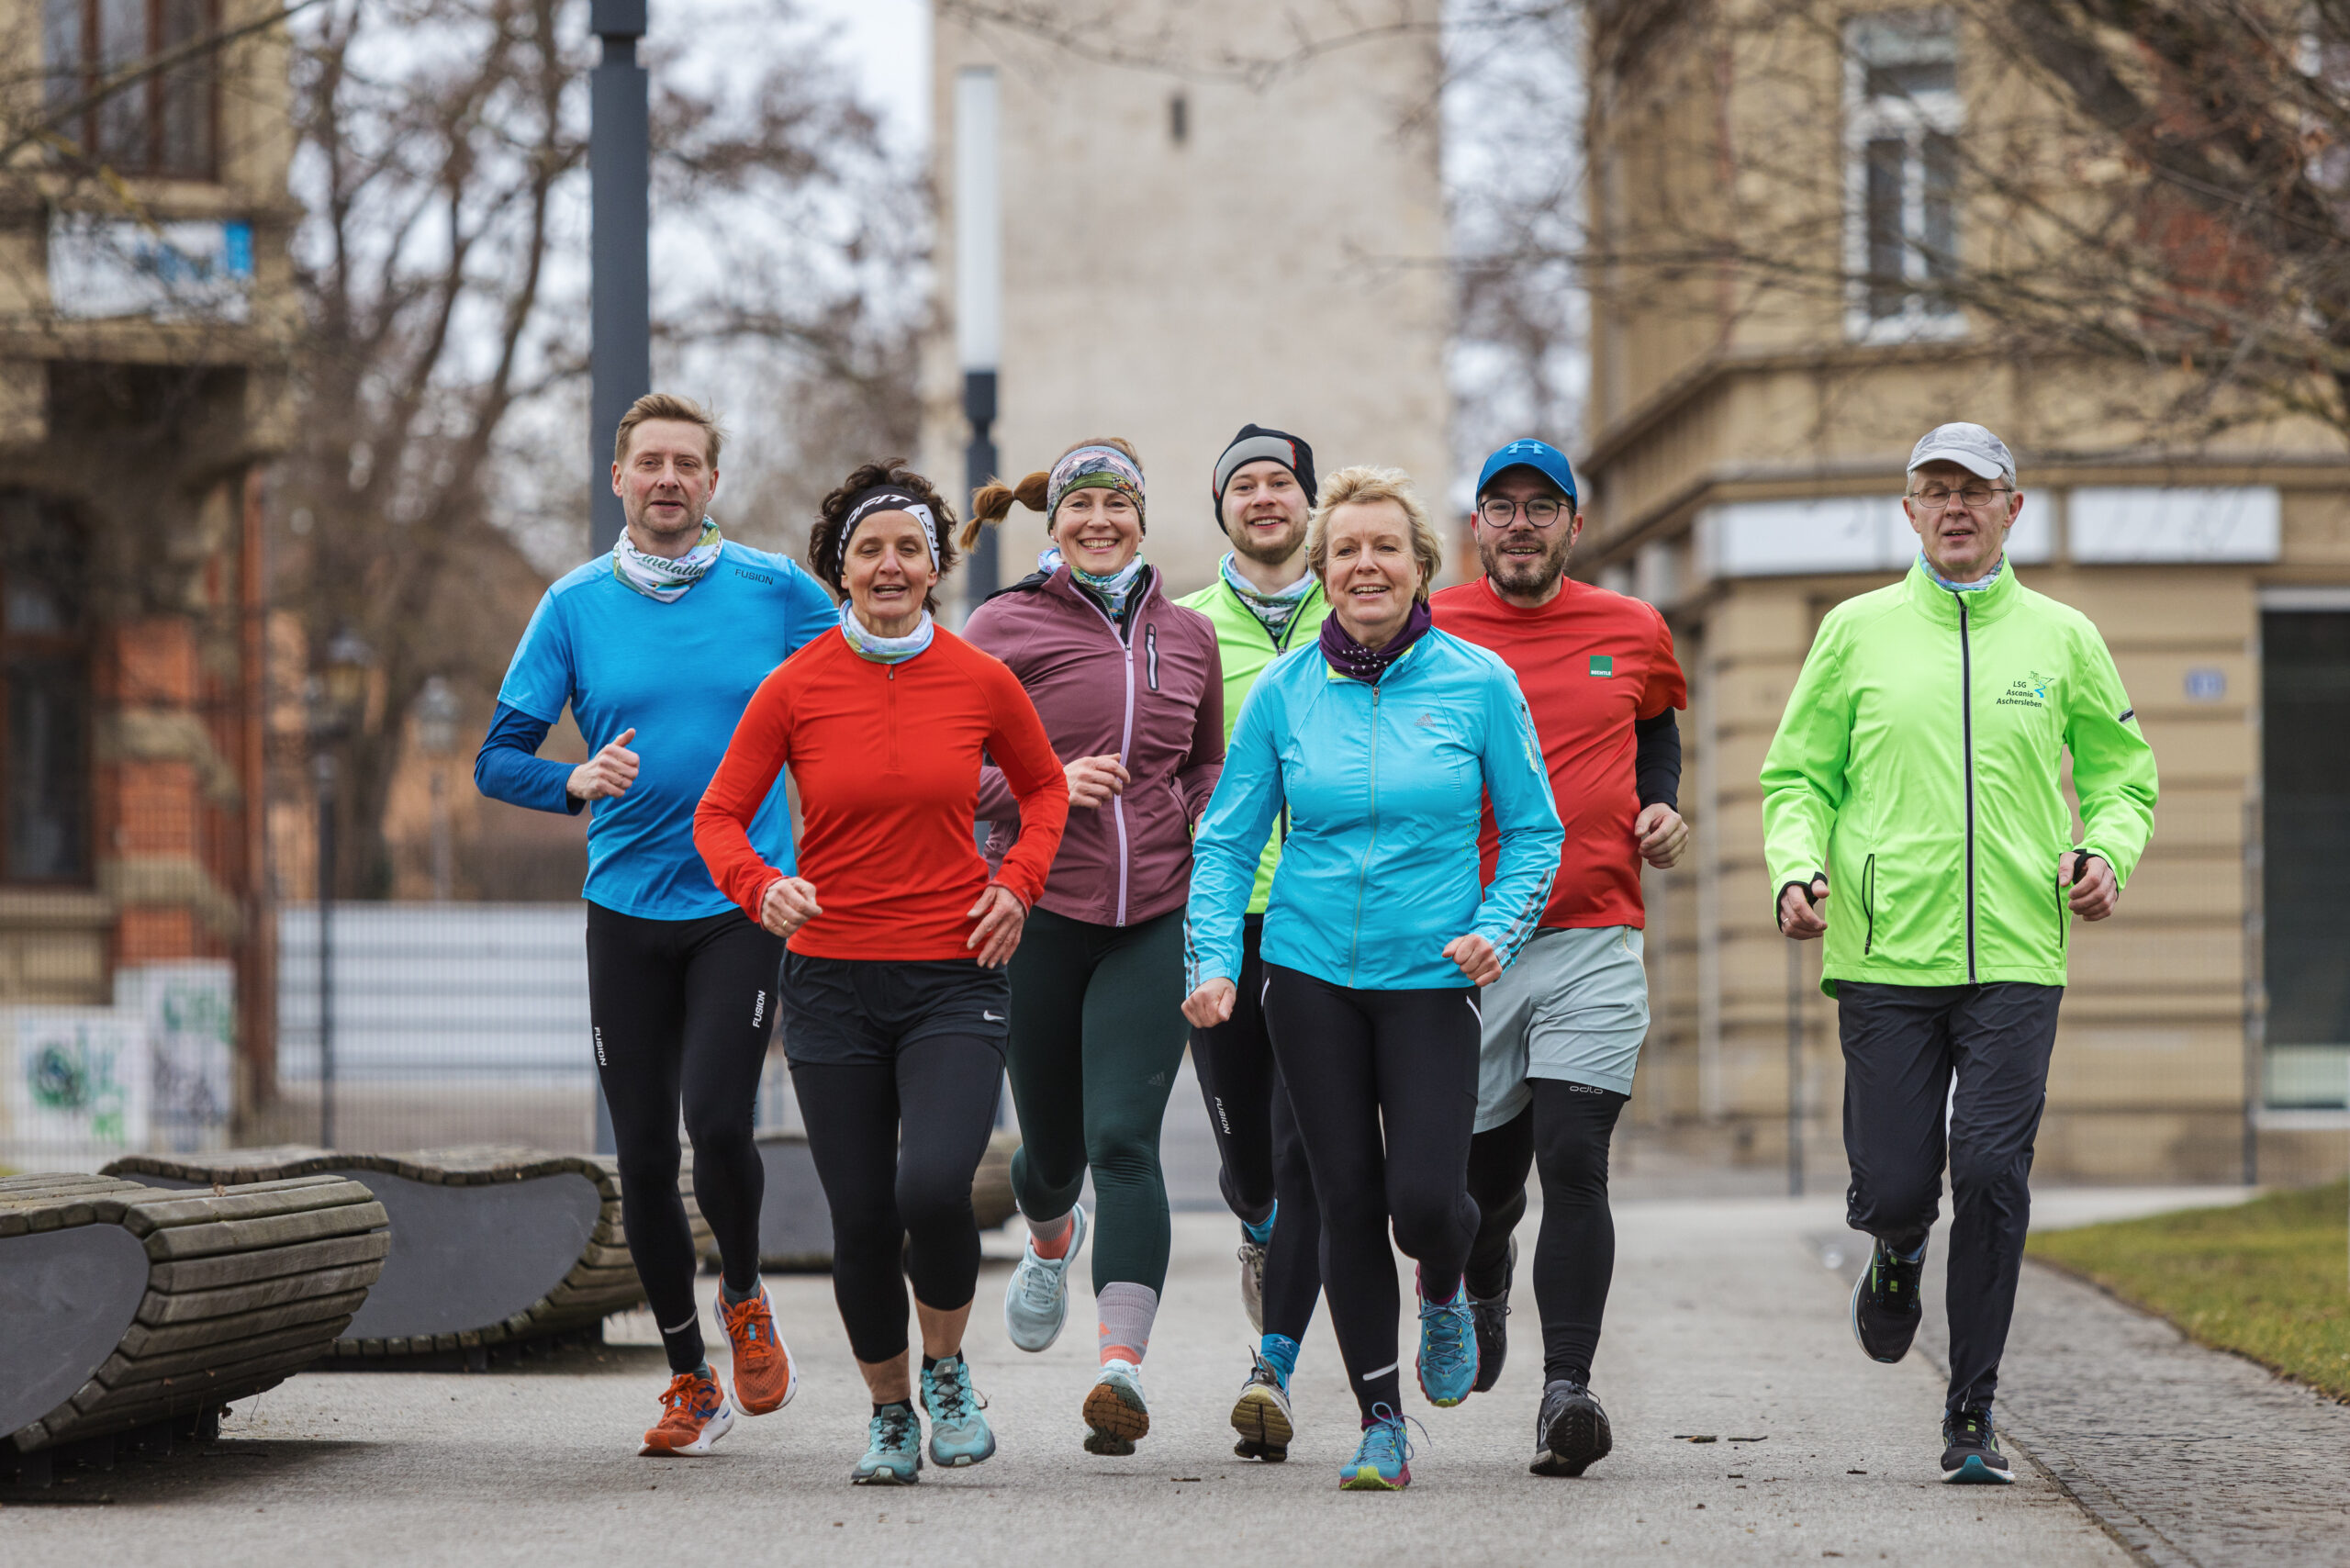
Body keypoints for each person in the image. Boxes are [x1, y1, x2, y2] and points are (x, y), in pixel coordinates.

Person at [1761, 422, 2156, 1484]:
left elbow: (2122, 775)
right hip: (1885, 948)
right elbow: (1797, 777)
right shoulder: (1854, 632)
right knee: (1897, 1184)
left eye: (1973, 490)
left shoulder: (2063, 637)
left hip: (2018, 950)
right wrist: (1795, 867)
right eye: (1934, 489)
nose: (1954, 507)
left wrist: (2106, 853)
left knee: (1989, 1171)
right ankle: (1895, 1249)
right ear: (1908, 510)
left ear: (2011, 508)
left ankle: (1970, 1409)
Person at [1183, 465, 1565, 1492]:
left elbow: (1536, 833)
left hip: (1432, 976)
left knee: (1424, 1204)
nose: (1365, 565)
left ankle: (1446, 1280)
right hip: (1307, 974)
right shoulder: (1282, 694)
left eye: (1384, 547)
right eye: (1345, 549)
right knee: (1344, 1196)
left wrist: (1497, 929)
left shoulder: (1478, 682)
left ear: (1419, 565)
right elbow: (1226, 842)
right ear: (1322, 571)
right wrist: (1214, 961)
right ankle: (1381, 1423)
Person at [693, 461, 1069, 1485]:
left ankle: (946, 1372)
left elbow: (1044, 792)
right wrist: (761, 886)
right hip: (832, 985)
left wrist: (1017, 886)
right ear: (842, 569)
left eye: (910, 548)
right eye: (871, 550)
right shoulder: (795, 686)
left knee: (933, 1187)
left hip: (955, 973)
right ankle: (890, 1412)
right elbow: (718, 816)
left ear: (935, 567)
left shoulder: (980, 678)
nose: (891, 565)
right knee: (861, 1215)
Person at [476, 393, 832, 1457]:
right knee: (639, 1152)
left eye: (687, 463)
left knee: (717, 1121)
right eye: (650, 463)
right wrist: (572, 780)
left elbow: (869, 684)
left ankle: (745, 1295)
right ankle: (690, 1378)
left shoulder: (776, 590)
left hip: (740, 899)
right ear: (619, 478)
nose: (668, 478)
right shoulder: (574, 604)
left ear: (712, 482)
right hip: (624, 909)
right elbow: (497, 757)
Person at [961, 438, 1225, 1456]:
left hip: (1156, 911)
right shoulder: (1004, 624)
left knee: (1123, 1140)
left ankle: (1120, 1368)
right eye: (1082, 505)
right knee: (1053, 1157)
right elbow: (951, 766)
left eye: (1118, 504)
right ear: (1055, 521)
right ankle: (1048, 1236)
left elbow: (1200, 763)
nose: (1100, 520)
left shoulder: (1187, 634)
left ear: (1142, 518)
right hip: (1036, 908)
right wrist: (1046, 786)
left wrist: (1207, 813)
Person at [1433, 437, 1689, 1480]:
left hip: (1594, 933)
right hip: (1468, 947)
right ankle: (1485, 1271)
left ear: (1574, 526)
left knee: (1575, 1159)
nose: (1522, 525)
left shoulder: (1632, 627)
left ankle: (1566, 1392)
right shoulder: (1430, 626)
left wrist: (1660, 802)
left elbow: (1656, 728)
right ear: (1477, 526)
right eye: (1502, 507)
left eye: (1543, 507)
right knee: (1482, 1186)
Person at [1174, 425, 1333, 1462]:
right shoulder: (1184, 627)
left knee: (1301, 1146)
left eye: (1282, 482)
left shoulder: (1360, 610)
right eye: (1245, 486)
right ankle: (1256, 1227)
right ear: (1222, 508)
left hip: (1330, 921)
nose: (1265, 497)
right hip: (1222, 919)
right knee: (1250, 1167)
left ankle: (1271, 1367)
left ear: (1309, 503)